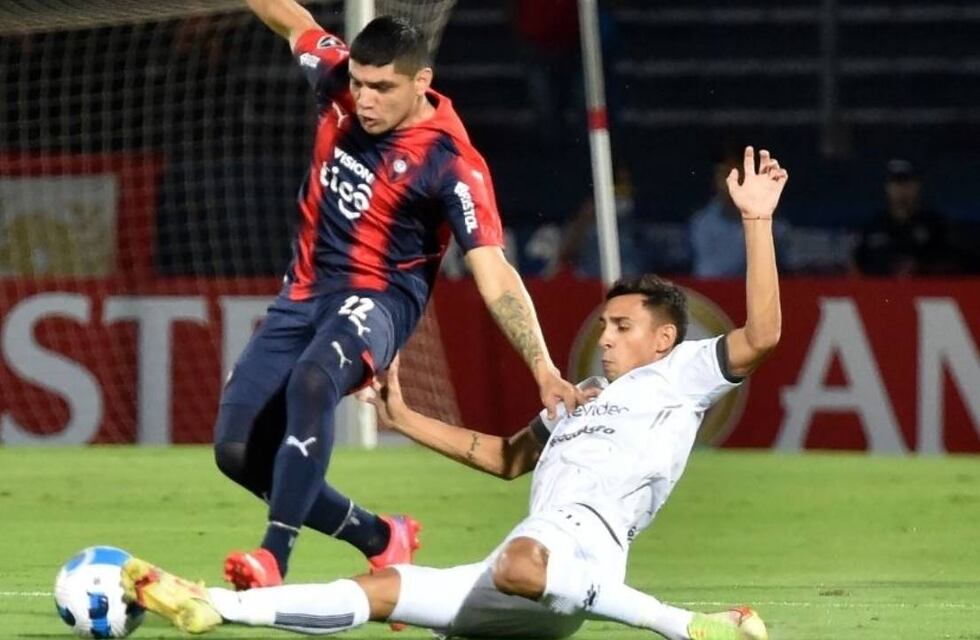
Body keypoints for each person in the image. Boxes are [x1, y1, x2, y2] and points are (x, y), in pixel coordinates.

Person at [122, 146, 786, 640]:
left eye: (622, 326)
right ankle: (213, 605)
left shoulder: (684, 376)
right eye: (605, 324)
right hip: (524, 566)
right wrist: (405, 417)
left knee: (522, 561)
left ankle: (692, 627)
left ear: (664, 338)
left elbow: (762, 334)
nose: (606, 338)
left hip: (579, 556)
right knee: (381, 589)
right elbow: (503, 458)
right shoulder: (582, 395)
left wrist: (756, 222)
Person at [214, 0, 584, 592]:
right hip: (302, 294)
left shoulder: (452, 164)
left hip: (379, 302)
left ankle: (273, 557)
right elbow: (293, 21)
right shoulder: (338, 78)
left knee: (314, 380)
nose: (364, 100)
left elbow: (494, 273)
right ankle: (382, 538)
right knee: (235, 452)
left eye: (383, 88)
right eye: (359, 84)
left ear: (421, 83)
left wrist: (541, 364)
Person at [689, 147, 791, 277]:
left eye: (738, 175)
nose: (729, 183)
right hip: (710, 293)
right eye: (724, 174)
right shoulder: (700, 223)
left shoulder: (775, 227)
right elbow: (705, 272)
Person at [852, 158, 956, 275]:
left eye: (906, 182)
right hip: (880, 291)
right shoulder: (873, 225)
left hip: (924, 289)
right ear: (887, 188)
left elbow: (951, 264)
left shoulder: (934, 223)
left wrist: (921, 267)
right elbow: (856, 265)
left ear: (917, 186)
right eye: (896, 183)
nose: (901, 189)